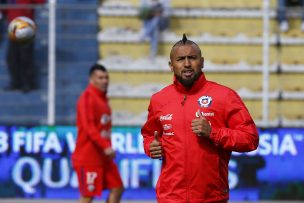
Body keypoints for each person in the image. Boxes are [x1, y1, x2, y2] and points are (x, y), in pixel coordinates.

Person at [141, 34, 259, 203]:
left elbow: (250, 139)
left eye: (192, 58)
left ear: (202, 62)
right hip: (170, 197)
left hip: (211, 197)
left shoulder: (224, 96)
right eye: (181, 59)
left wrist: (213, 133)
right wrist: (150, 146)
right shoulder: (159, 99)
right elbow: (149, 135)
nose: (187, 64)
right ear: (171, 65)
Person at [72, 64, 124, 203]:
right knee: (88, 196)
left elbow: (104, 128)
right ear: (91, 80)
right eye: (100, 77)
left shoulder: (103, 99)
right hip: (88, 157)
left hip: (103, 158)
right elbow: (89, 128)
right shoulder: (87, 98)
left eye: (106, 77)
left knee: (117, 187)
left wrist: (107, 147)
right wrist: (105, 146)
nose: (105, 81)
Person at [3, 0, 45, 93]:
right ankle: (16, 83)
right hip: (13, 26)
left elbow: (41, 2)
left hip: (26, 25)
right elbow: (4, 8)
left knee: (25, 56)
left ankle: (28, 83)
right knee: (11, 57)